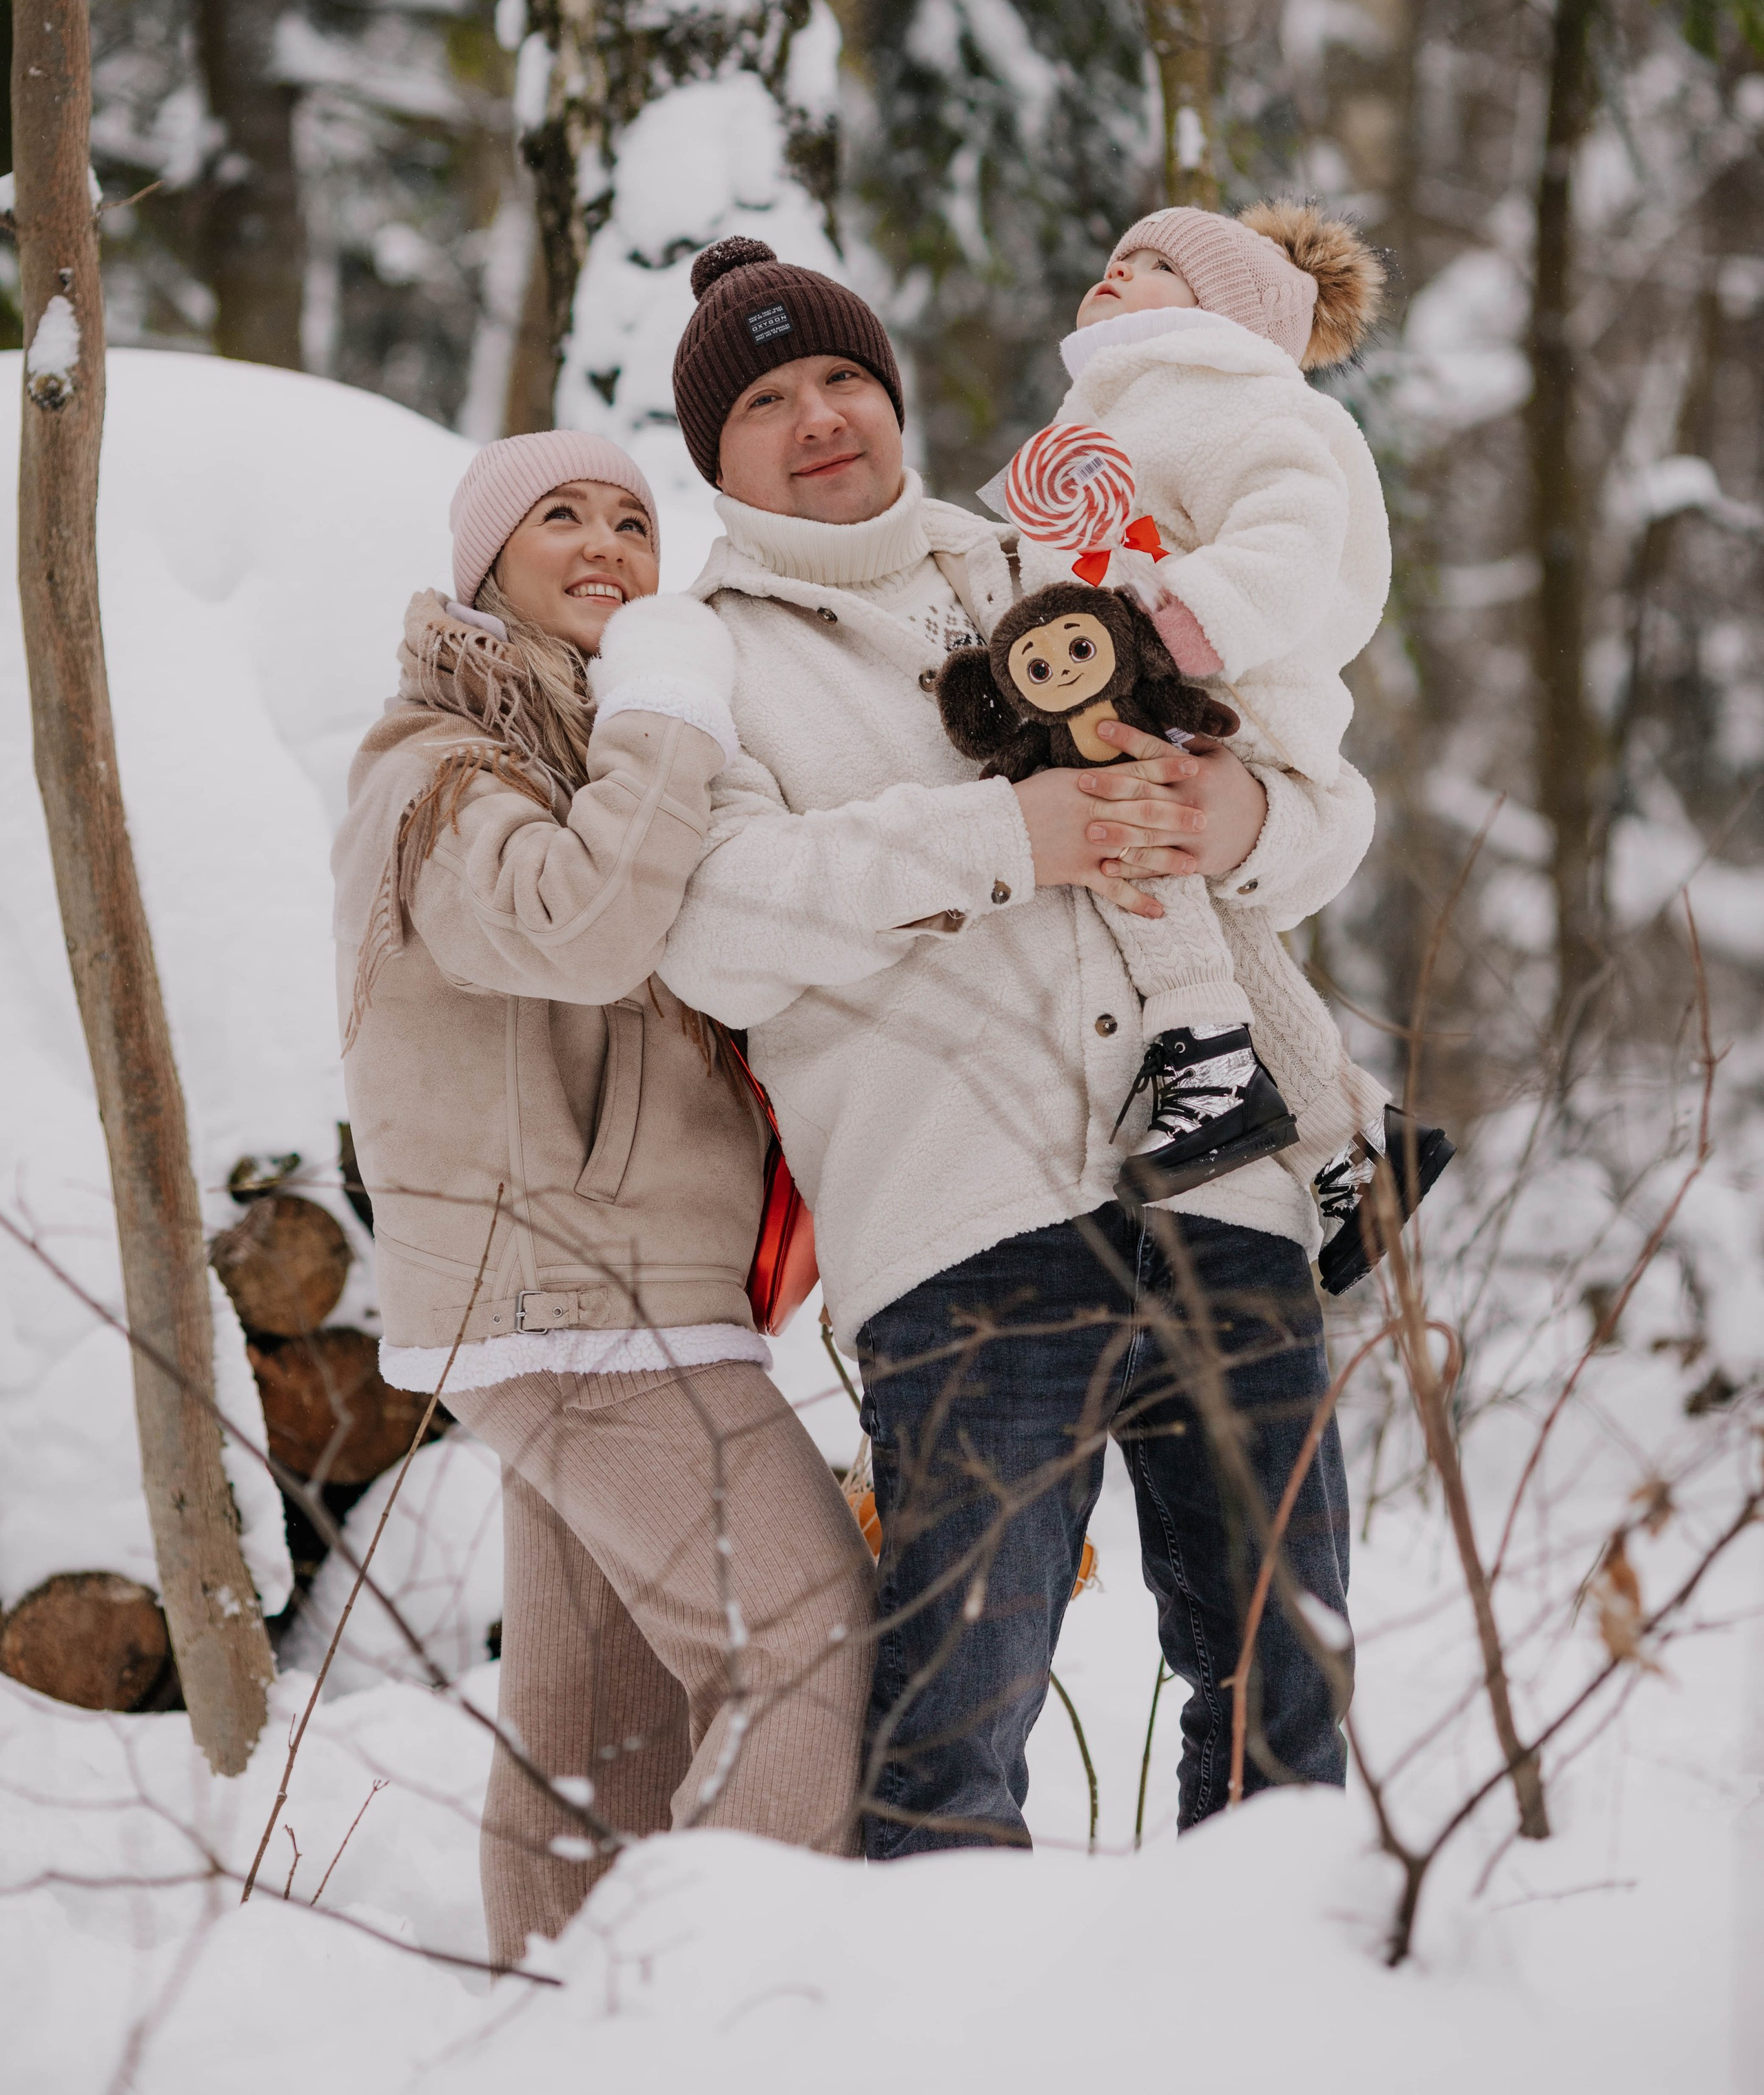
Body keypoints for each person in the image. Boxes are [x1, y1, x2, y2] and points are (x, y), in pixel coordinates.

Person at [657, 236, 1369, 1855]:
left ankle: (1275, 2019)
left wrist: (1237, 812)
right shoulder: (708, 655)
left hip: (1224, 1202)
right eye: (768, 399)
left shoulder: (1061, 556)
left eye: (843, 376)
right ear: (715, 455)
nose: (821, 416)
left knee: (1285, 1679)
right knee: (951, 1727)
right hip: (962, 1236)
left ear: (893, 394)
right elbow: (718, 924)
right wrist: (1008, 836)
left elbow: (1327, 808)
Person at [331, 428, 874, 1967]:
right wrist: (664, 707)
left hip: (605, 1295)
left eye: (632, 521)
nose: (602, 545)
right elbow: (573, 930)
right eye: (555, 516)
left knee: (597, 1739)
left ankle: (551, 2023)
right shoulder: (439, 769)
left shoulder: (579, 758)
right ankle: (680, 2006)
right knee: (816, 1648)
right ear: (482, 565)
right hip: (576, 1297)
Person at [1028, 203, 1450, 1265]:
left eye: (1157, 262)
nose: (1117, 273)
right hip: (1138, 685)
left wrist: (1177, 624)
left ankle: (1208, 1058)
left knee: (1140, 841)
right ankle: (1353, 1142)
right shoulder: (1102, 417)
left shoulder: (1241, 398)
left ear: (1230, 311)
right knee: (1231, 938)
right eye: (1115, 256)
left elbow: (1292, 531)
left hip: (1225, 696)